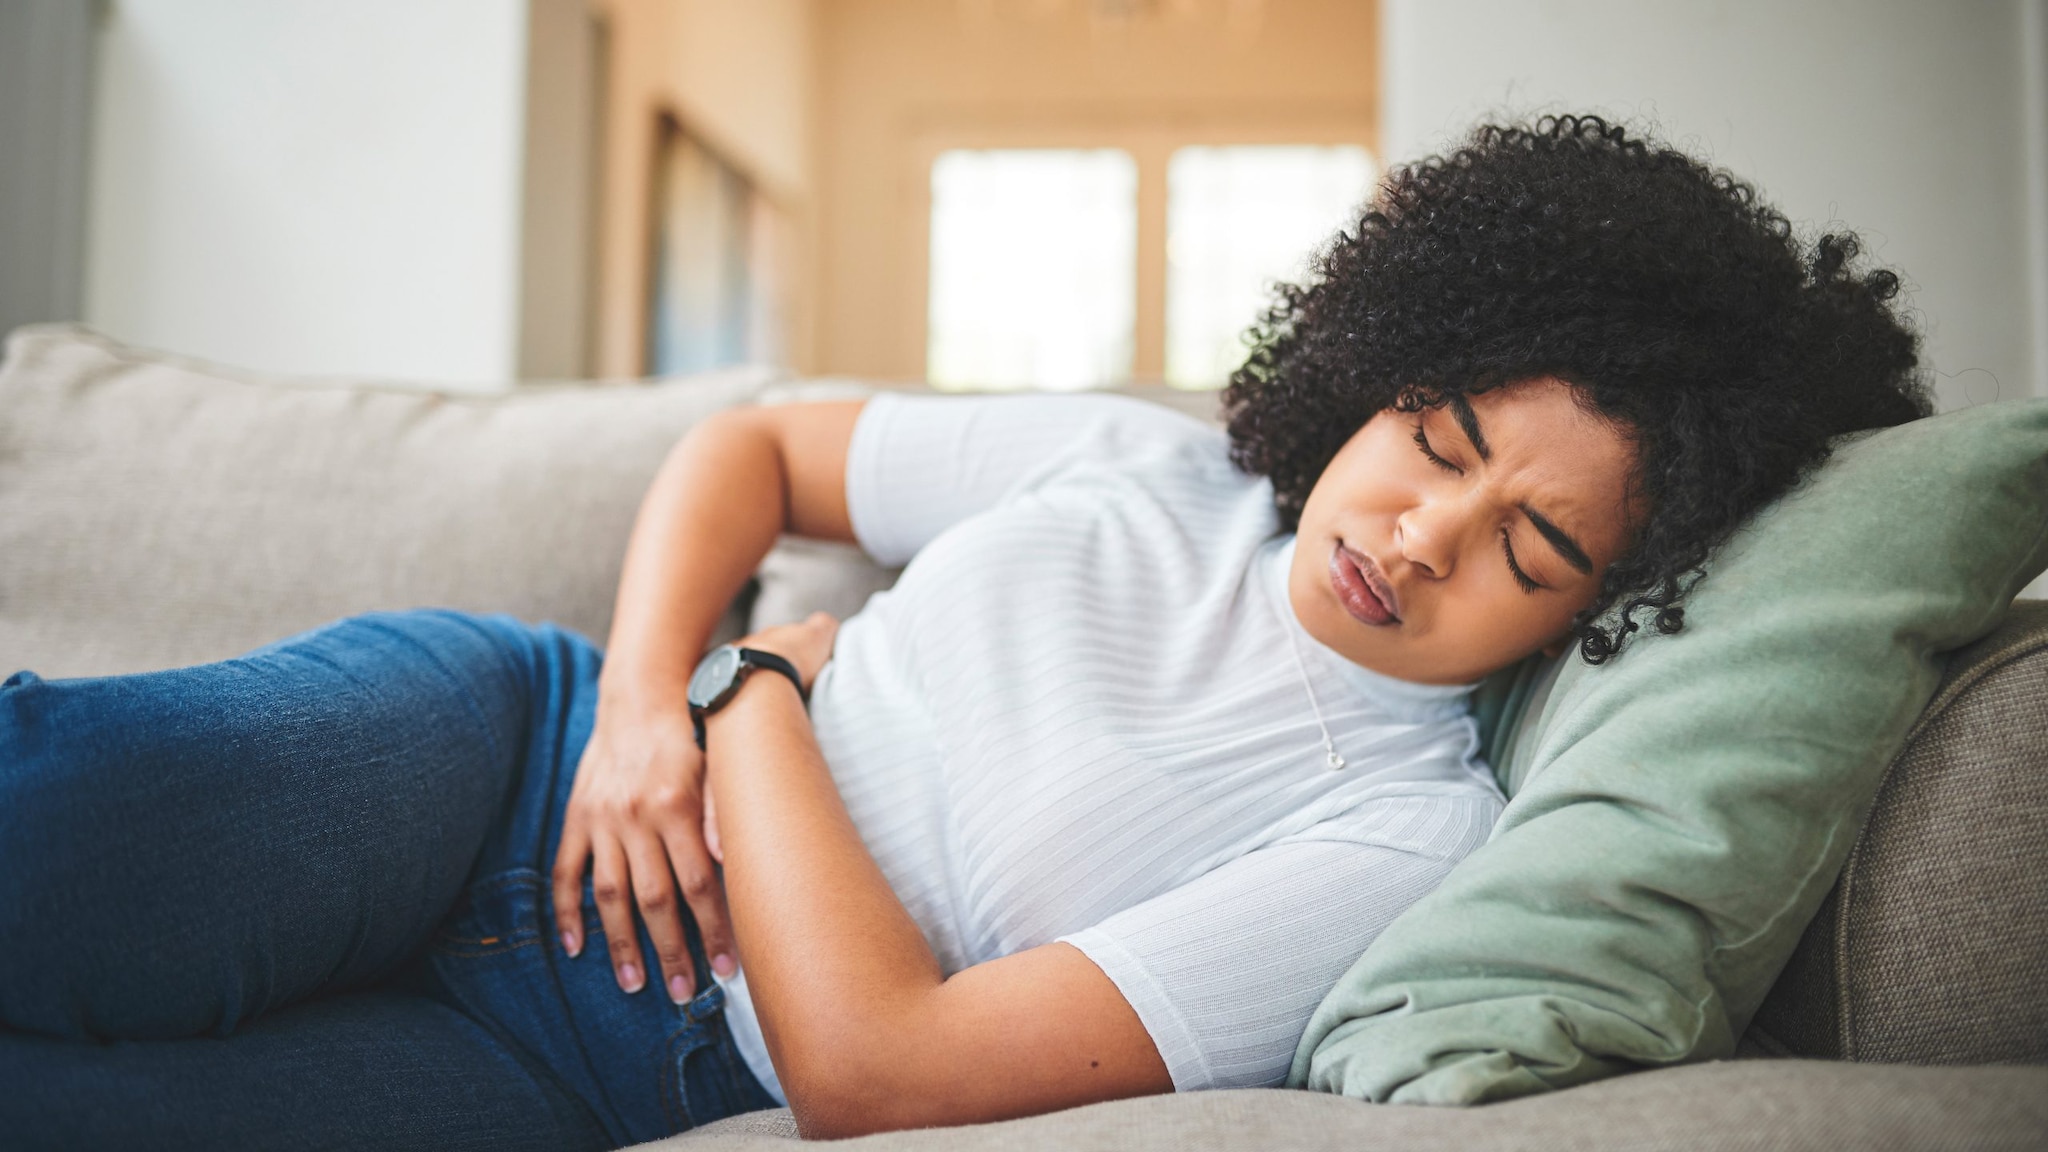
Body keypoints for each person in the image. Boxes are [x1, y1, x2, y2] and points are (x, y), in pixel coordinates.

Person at [0, 115, 1926, 1149]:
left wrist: (752, 690)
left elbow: (868, 1069)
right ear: (1381, 371)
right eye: (1436, 438)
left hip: (621, 1069)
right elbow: (753, 450)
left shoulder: (1409, 840)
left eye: (1532, 549)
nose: (1420, 539)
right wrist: (639, 714)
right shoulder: (1138, 468)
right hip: (502, 759)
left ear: (1619, 605)